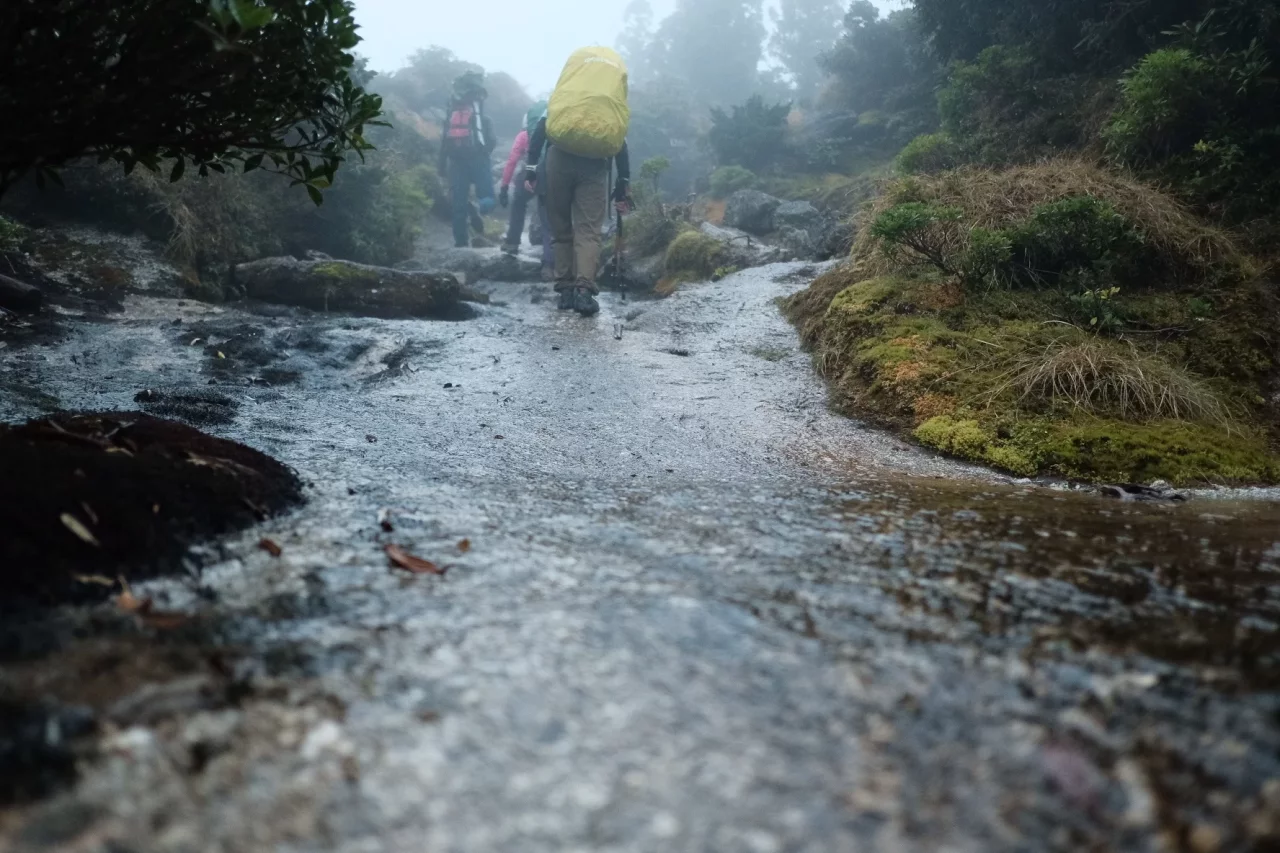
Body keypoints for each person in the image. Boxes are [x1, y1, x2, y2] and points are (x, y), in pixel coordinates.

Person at [523, 111, 631, 316]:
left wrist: (531, 167)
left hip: (558, 160)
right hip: (594, 163)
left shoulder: (568, 95)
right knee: (588, 231)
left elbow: (540, 129)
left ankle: (565, 291)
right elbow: (620, 140)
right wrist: (624, 180)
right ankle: (583, 291)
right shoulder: (607, 101)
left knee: (560, 226)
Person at [438, 72, 497, 249]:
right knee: (486, 196)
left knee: (458, 203)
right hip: (479, 158)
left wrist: (441, 167)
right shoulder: (484, 119)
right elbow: (492, 140)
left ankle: (460, 243)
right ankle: (479, 213)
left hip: (456, 161)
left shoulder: (451, 117)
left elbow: (444, 143)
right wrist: (484, 153)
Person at [499, 101, 553, 279]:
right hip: (552, 175)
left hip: (530, 175)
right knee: (547, 220)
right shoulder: (556, 132)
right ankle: (549, 265)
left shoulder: (524, 135)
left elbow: (512, 161)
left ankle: (512, 242)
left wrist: (504, 186)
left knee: (518, 202)